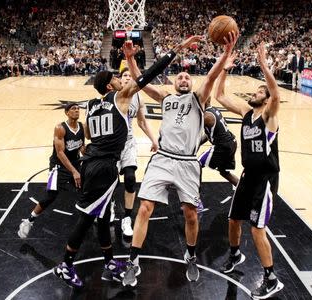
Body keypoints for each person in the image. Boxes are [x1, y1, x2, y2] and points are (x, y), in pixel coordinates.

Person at [53, 36, 202, 288]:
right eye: (114, 78)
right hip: (103, 166)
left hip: (91, 161)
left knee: (101, 217)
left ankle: (110, 261)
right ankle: (65, 264)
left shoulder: (92, 105)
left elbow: (88, 134)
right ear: (110, 87)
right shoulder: (120, 97)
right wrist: (175, 50)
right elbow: (148, 75)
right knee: (87, 217)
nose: (118, 79)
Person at [121, 32, 239, 287]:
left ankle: (191, 254)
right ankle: (133, 260)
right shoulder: (165, 98)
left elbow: (210, 77)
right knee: (144, 208)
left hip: (186, 162)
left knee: (191, 214)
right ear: (174, 82)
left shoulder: (199, 98)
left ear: (191, 83)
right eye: (180, 76)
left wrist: (226, 55)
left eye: (188, 77)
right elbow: (142, 81)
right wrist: (130, 59)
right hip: (163, 159)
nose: (184, 78)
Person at [215, 42, 284, 299]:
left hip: (265, 179)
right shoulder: (246, 113)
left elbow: (276, 96)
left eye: (259, 92)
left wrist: (265, 66)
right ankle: (235, 255)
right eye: (255, 91)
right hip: (247, 176)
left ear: (266, 100)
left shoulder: (269, 117)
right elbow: (220, 96)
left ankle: (271, 278)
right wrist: (225, 69)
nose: (254, 94)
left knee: (257, 229)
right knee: (233, 220)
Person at [18, 103, 84, 238]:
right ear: (66, 112)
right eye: (73, 109)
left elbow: (82, 146)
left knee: (86, 188)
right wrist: (74, 171)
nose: (77, 110)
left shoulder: (82, 127)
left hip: (75, 163)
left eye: (78, 108)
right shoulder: (60, 128)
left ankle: (91, 214)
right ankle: (29, 220)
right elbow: (60, 153)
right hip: (59, 166)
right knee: (50, 196)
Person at [116, 67, 159, 240]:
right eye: (124, 75)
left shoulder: (138, 96)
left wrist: (153, 139)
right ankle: (110, 205)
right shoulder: (113, 95)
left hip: (128, 142)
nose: (127, 78)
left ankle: (126, 217)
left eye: (130, 75)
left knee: (130, 178)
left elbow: (141, 121)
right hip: (112, 144)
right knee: (110, 181)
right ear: (120, 79)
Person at [198, 93, 239, 187]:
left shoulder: (206, 116)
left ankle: (196, 194)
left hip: (222, 145)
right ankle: (245, 190)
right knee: (224, 172)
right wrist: (199, 143)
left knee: (197, 164)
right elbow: (209, 134)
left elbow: (191, 132)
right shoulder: (214, 110)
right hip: (231, 142)